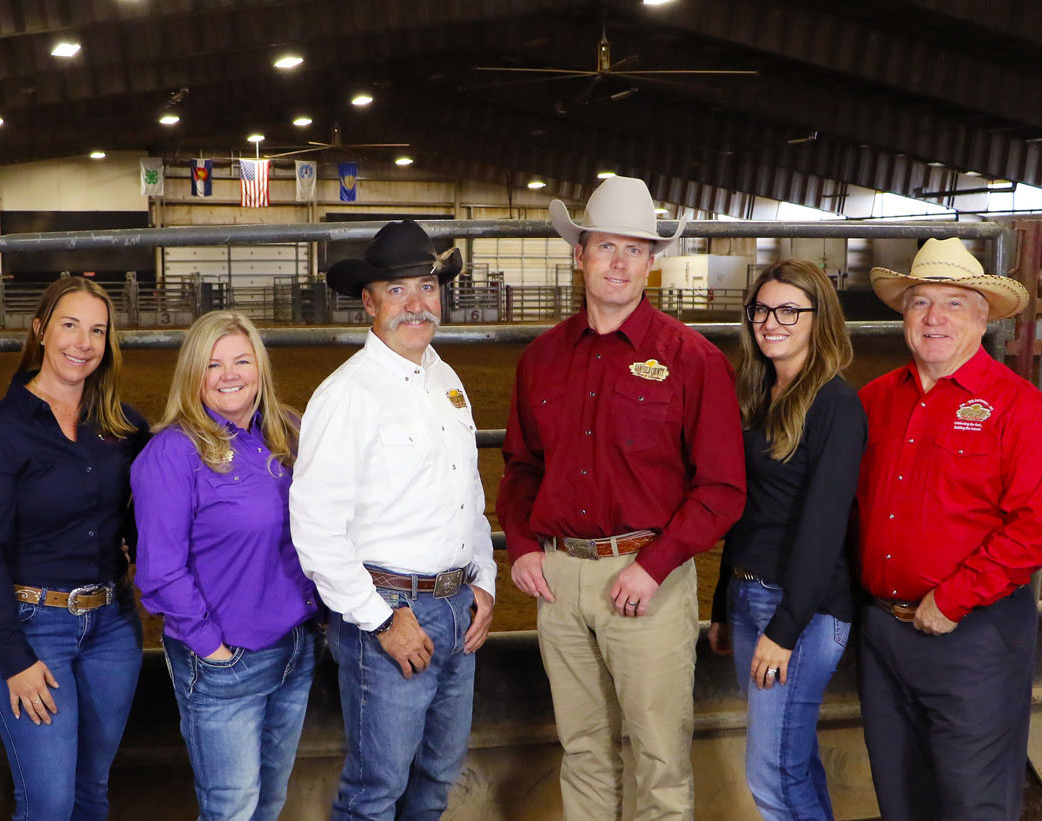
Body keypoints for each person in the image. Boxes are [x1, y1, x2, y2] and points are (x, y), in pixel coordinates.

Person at [497, 175, 746, 820]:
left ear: (651, 261)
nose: (618, 262)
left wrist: (653, 566)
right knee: (581, 747)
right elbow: (520, 465)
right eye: (606, 246)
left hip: (647, 577)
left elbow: (721, 487)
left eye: (634, 249)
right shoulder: (543, 357)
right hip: (559, 576)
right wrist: (523, 547)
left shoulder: (692, 360)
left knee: (660, 755)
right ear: (579, 254)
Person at [853, 237, 1042, 821]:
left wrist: (953, 598)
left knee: (973, 798)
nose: (934, 317)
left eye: (953, 303)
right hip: (881, 630)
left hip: (971, 634)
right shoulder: (874, 401)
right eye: (920, 302)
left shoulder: (1021, 410)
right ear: (903, 314)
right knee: (900, 794)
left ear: (983, 317)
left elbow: (1036, 528)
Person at [289, 220, 497, 820]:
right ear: (369, 303)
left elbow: (468, 493)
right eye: (398, 290)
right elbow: (315, 528)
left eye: (426, 288)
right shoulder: (346, 395)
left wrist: (483, 578)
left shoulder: (446, 379)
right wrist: (381, 621)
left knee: (436, 777)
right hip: (391, 609)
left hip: (458, 608)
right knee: (375, 789)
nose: (416, 304)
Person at [0, 277, 148, 819]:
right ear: (41, 330)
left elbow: (146, 525)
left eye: (97, 330)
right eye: (70, 325)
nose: (83, 342)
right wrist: (14, 659)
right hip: (33, 627)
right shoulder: (0, 430)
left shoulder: (124, 425)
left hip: (113, 626)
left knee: (91, 792)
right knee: (47, 803)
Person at [130, 310, 319, 820]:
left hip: (294, 646)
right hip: (226, 656)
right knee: (231, 809)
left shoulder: (290, 431)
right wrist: (212, 649)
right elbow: (159, 571)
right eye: (213, 365)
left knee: (270, 801)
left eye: (242, 359)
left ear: (261, 366)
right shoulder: (172, 453)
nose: (230, 374)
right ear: (193, 374)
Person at [707, 260, 866, 820]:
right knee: (791, 762)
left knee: (772, 773)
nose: (771, 322)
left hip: (802, 609)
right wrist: (723, 603)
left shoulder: (835, 405)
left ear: (818, 319)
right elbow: (744, 509)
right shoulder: (759, 395)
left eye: (789, 311)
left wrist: (786, 627)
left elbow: (824, 528)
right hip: (752, 600)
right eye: (761, 310)